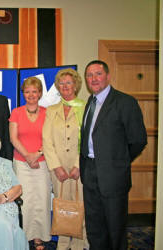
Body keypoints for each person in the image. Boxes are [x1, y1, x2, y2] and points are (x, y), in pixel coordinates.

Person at [80, 60, 147, 250]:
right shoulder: (90, 103)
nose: (93, 79)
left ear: (108, 76)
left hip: (113, 175)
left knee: (115, 228)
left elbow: (138, 140)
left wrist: (119, 162)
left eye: (98, 74)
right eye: (89, 75)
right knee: (94, 226)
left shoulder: (125, 102)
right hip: (90, 172)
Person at [42, 68, 88, 250]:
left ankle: (78, 243)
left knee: (79, 203)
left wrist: (78, 165)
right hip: (58, 167)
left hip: (80, 166)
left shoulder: (86, 108)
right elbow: (46, 140)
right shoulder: (51, 110)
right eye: (62, 83)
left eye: (69, 82)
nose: (65, 86)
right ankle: (62, 243)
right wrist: (56, 166)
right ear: (57, 87)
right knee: (62, 205)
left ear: (76, 85)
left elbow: (88, 139)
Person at [9, 77, 50, 250]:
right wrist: (27, 156)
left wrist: (37, 154)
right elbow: (13, 138)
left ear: (40, 93)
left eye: (34, 91)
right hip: (21, 163)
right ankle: (23, 237)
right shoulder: (16, 112)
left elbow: (50, 138)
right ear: (23, 93)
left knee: (42, 200)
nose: (31, 95)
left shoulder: (48, 113)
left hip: (42, 163)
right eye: (27, 91)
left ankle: (39, 237)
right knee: (24, 201)